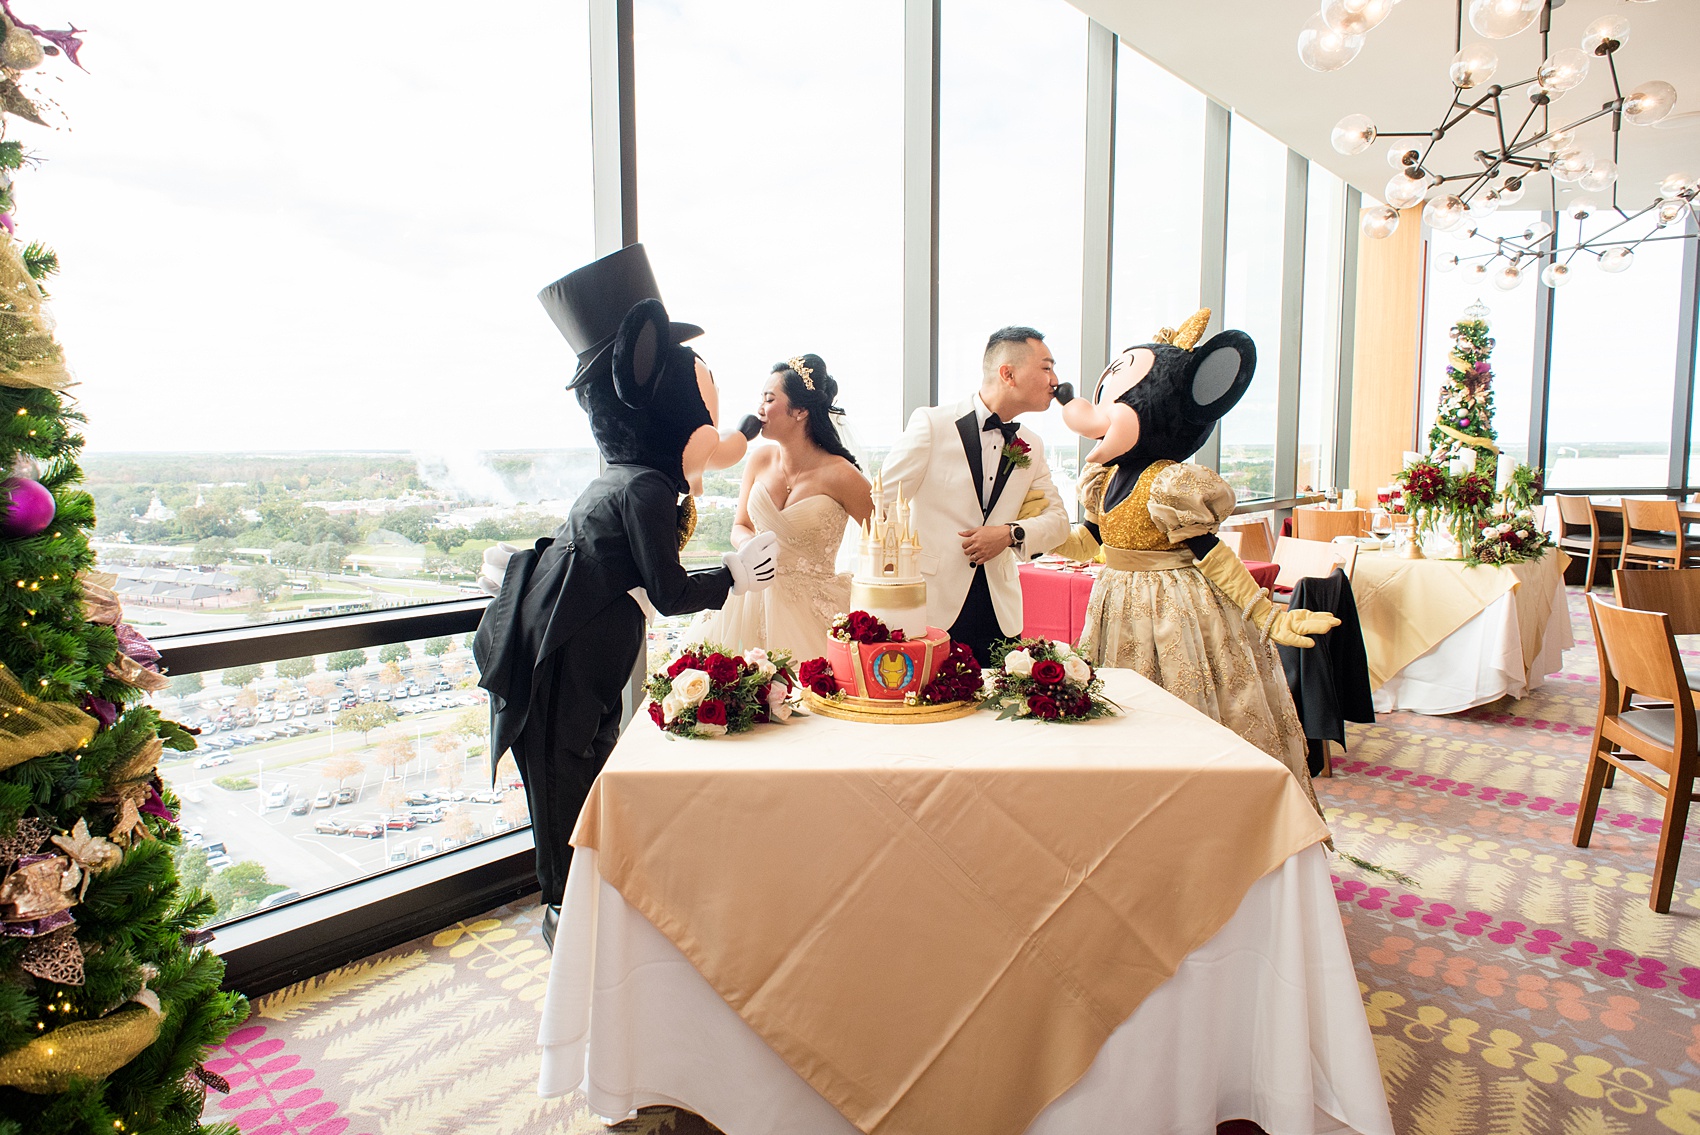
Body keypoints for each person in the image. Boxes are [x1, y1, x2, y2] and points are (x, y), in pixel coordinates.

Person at [473, 245, 779, 950]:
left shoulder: (620, 477)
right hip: (570, 665)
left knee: (573, 781)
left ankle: (578, 914)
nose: (720, 427)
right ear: (651, 388)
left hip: (571, 656)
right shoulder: (643, 486)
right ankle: (572, 925)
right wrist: (733, 572)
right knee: (570, 781)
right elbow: (668, 591)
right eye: (704, 403)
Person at [1051, 308, 1336, 815]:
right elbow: (1089, 542)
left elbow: (1214, 555)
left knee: (1185, 717)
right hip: (1116, 603)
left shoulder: (1169, 481)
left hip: (1172, 610)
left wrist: (1266, 614)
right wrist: (1027, 536)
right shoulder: (1105, 481)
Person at [877, 326, 1071, 665]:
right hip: (931, 608)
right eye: (1046, 367)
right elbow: (880, 503)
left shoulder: (1033, 445)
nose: (1056, 380)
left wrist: (1010, 534)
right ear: (1007, 373)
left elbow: (1058, 523)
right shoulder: (932, 425)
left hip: (999, 610)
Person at [690, 353, 872, 660]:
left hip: (813, 610)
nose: (759, 408)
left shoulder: (842, 475)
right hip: (747, 600)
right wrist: (750, 546)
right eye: (760, 398)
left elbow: (888, 540)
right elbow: (741, 525)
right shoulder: (759, 460)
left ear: (800, 410)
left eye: (769, 398)